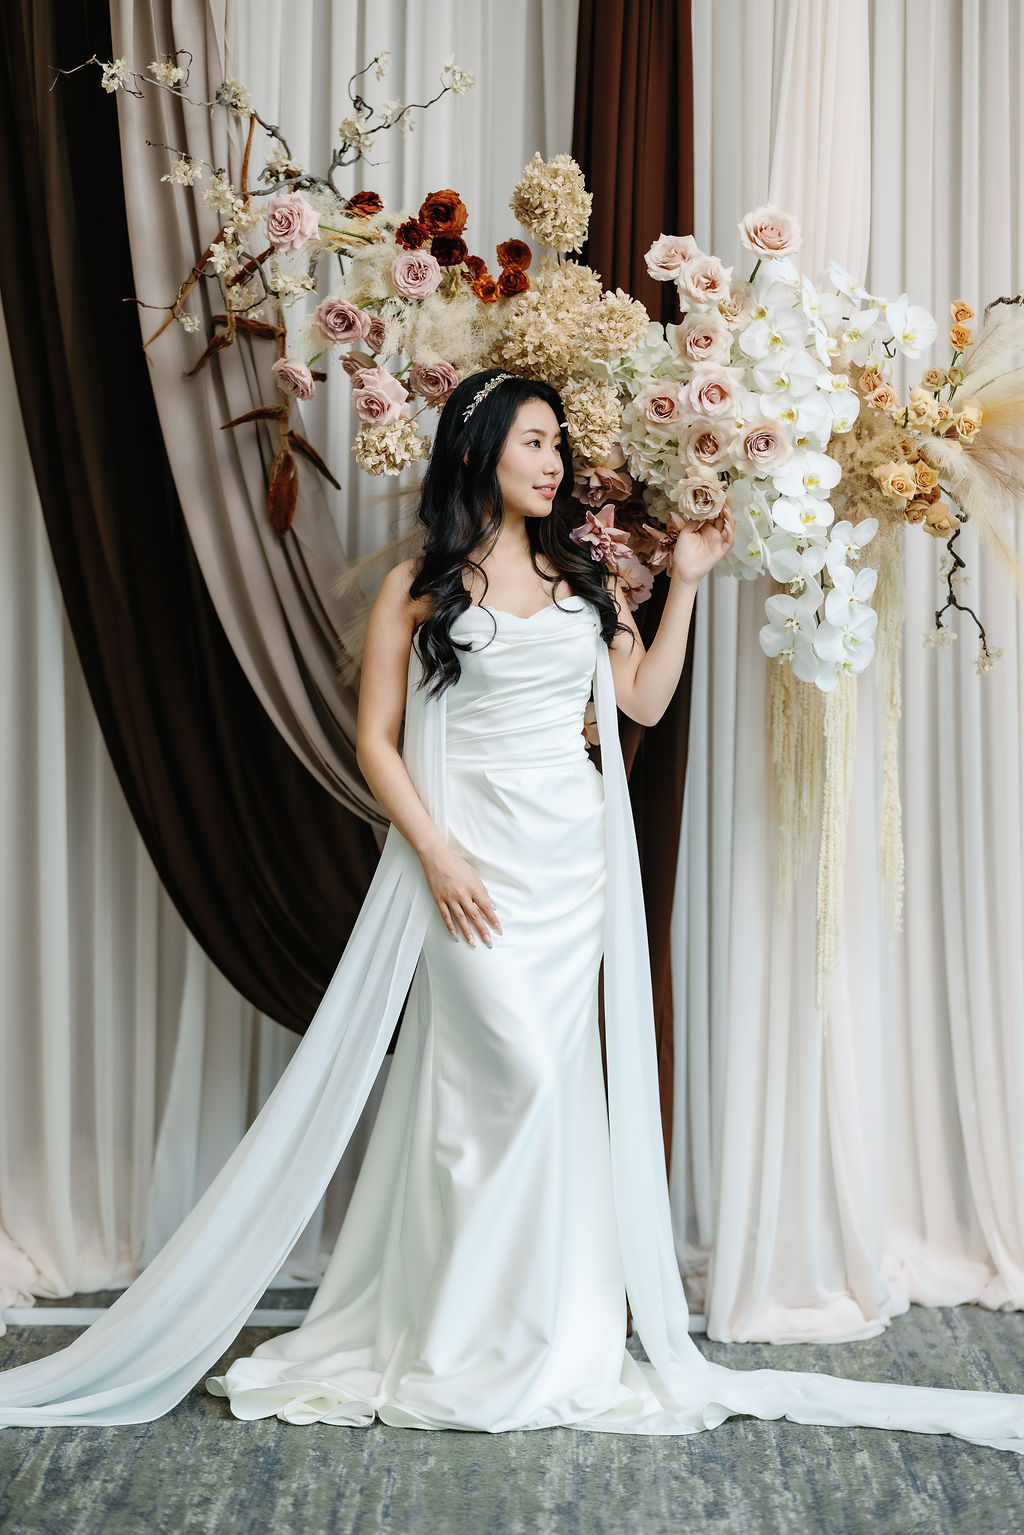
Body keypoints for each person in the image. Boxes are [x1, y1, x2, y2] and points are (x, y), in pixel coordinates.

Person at [1, 370, 1024, 1451]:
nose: (553, 460)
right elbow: (375, 741)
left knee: (545, 1091)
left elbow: (641, 700)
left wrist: (684, 582)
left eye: (557, 444)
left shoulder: (587, 580)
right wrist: (436, 853)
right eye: (533, 440)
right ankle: (455, 1328)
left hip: (568, 863)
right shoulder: (420, 584)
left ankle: (537, 1323)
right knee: (501, 1077)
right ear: (477, 449)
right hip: (469, 865)